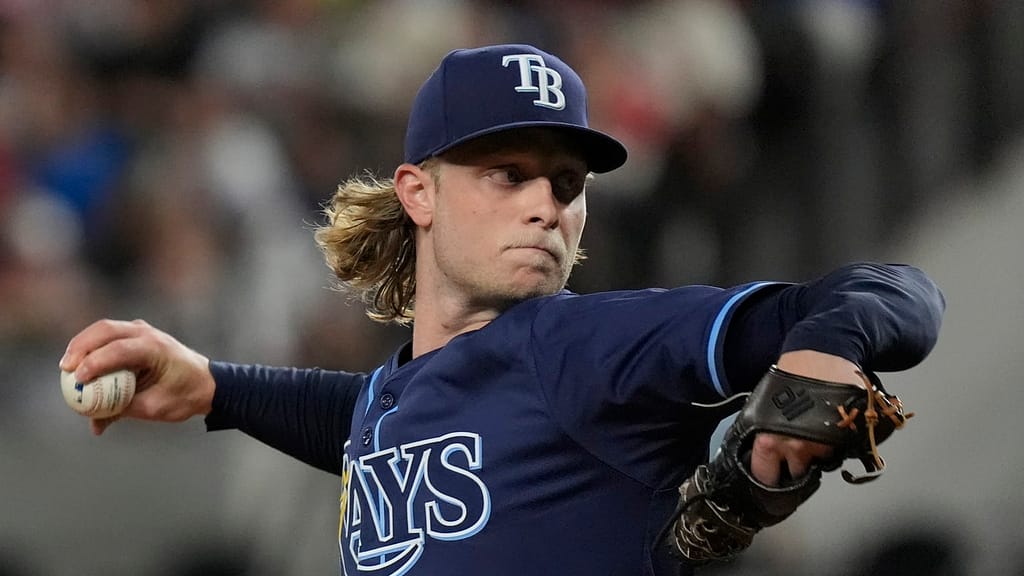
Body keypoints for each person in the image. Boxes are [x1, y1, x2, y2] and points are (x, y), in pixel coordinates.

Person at [60, 44, 945, 576]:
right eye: (508, 174)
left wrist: (821, 350)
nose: (544, 206)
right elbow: (367, 421)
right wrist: (216, 387)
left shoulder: (583, 346)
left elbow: (894, 293)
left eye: (566, 183)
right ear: (419, 192)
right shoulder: (404, 394)